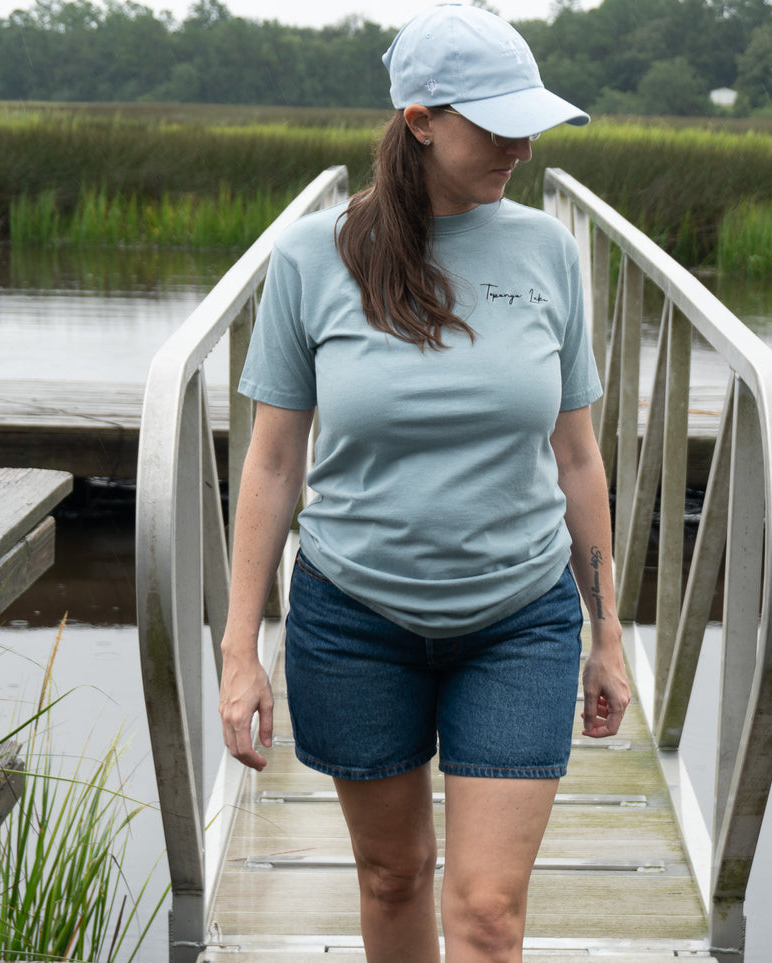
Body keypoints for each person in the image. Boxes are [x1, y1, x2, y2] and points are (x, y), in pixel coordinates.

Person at [217, 5, 630, 961]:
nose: (522, 148)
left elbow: (577, 457)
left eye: (531, 123)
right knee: (392, 874)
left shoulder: (547, 253)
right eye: (498, 124)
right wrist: (241, 648)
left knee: (488, 912)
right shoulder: (312, 256)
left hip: (519, 619)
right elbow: (273, 463)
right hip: (353, 618)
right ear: (419, 119)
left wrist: (605, 630)